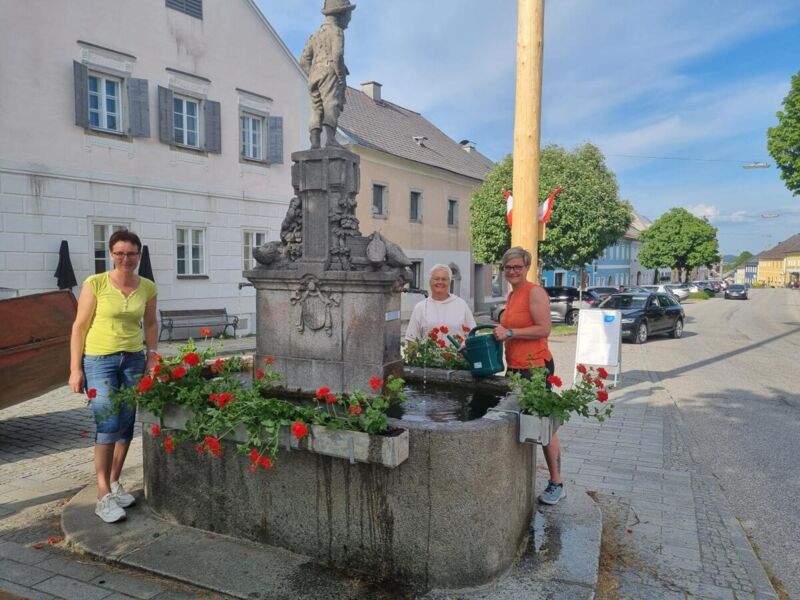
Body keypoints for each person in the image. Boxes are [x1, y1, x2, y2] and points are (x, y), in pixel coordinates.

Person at [69, 231, 158, 523]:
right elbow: (79, 327)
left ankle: (115, 482)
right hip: (99, 361)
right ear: (110, 254)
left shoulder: (147, 287)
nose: (125, 258)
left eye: (131, 253)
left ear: (138, 255)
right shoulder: (95, 283)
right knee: (107, 423)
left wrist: (152, 358)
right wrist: (75, 369)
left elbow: (150, 325)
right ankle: (102, 495)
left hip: (133, 360)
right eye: (119, 253)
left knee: (126, 423)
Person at [493, 246, 565, 505]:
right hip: (515, 365)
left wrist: (510, 333)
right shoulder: (512, 295)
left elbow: (544, 329)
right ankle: (524, 475)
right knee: (522, 421)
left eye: (517, 267)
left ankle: (557, 482)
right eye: (508, 267)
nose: (512, 271)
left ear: (526, 268)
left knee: (542, 424)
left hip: (535, 367)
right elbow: (509, 327)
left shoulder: (534, 292)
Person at [299, 0, 356, 149]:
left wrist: (312, 74)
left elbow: (304, 60)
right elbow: (337, 55)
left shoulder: (315, 35)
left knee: (316, 108)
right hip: (330, 71)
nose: (349, 20)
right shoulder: (336, 31)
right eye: (348, 15)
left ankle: (315, 142)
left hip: (315, 74)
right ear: (341, 14)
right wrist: (340, 77)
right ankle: (330, 140)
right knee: (331, 104)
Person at [405, 264, 476, 343]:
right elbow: (411, 339)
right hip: (429, 352)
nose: (440, 282)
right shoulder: (420, 307)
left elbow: (474, 335)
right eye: (436, 279)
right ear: (430, 282)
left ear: (449, 282)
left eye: (444, 279)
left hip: (458, 351)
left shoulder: (461, 305)